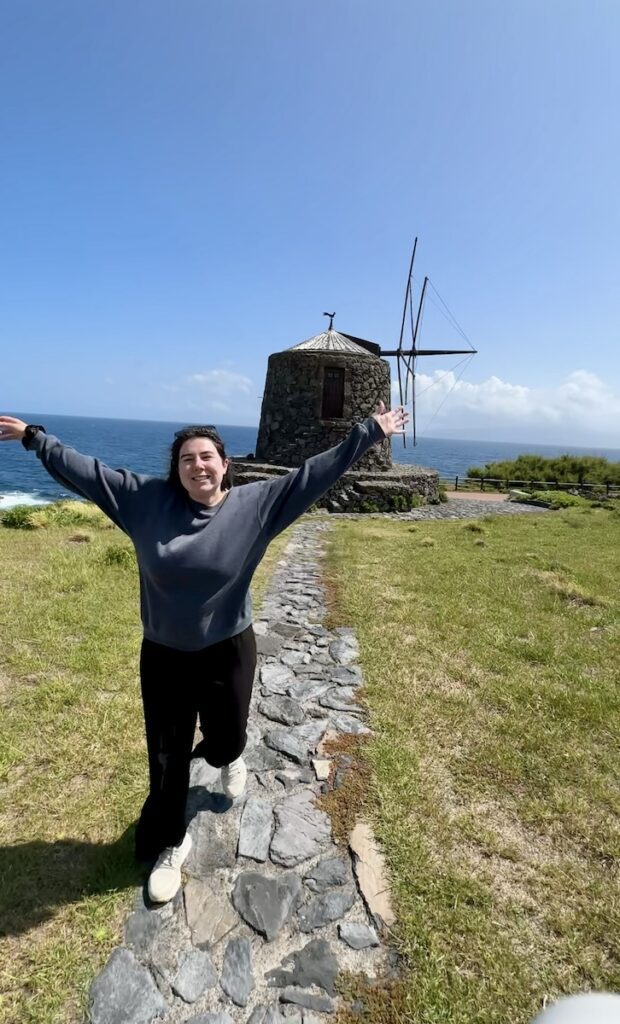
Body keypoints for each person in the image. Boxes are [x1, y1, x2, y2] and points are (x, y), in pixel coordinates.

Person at [0, 403, 408, 903]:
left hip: (229, 649)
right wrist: (33, 437)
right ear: (176, 470)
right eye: (187, 459)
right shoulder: (143, 501)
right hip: (165, 654)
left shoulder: (255, 506)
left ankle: (228, 756)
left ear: (224, 464)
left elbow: (312, 475)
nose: (198, 465)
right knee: (168, 756)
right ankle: (171, 841)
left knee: (227, 738)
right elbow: (85, 471)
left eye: (207, 456)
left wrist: (367, 432)